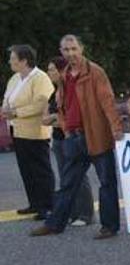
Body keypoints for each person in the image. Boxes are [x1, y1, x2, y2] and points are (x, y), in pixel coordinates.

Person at [31, 34, 124, 239]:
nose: (70, 53)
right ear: (61, 52)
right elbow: (62, 104)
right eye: (66, 50)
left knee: (107, 183)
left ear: (82, 49)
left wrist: (116, 128)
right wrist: (65, 127)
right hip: (73, 137)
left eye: (74, 49)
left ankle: (109, 226)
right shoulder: (65, 74)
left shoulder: (95, 72)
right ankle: (55, 224)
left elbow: (107, 102)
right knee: (67, 184)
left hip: (96, 135)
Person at [2, 44, 56, 220]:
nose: (10, 61)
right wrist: (5, 109)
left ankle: (47, 206)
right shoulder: (15, 79)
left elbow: (41, 104)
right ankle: (34, 203)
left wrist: (16, 112)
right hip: (17, 130)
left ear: (24, 61)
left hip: (36, 132)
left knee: (40, 169)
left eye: (13, 58)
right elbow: (7, 99)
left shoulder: (41, 78)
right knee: (26, 169)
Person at [43, 56, 93, 226]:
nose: (49, 73)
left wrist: (56, 118)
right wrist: (56, 117)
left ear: (61, 70)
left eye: (51, 69)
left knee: (78, 175)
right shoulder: (54, 92)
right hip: (57, 138)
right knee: (65, 177)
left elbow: (70, 117)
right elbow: (45, 119)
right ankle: (72, 211)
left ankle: (86, 214)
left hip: (70, 137)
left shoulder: (70, 89)